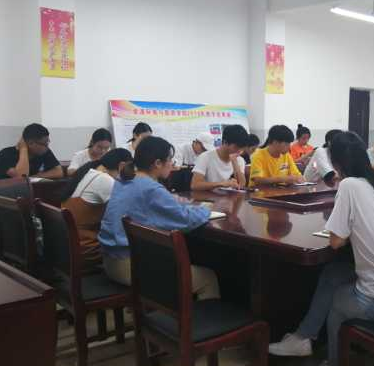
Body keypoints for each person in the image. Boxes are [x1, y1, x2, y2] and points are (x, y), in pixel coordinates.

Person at [268, 131, 374, 366]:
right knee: (333, 273)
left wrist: (353, 229)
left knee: (336, 300)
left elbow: (336, 241)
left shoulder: (349, 185)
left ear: (337, 163)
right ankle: (302, 338)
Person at [98, 136, 219, 298]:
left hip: (111, 261)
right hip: (130, 266)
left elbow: (166, 210)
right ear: (157, 163)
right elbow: (185, 220)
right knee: (207, 278)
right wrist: (206, 210)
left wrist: (183, 206)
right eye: (170, 159)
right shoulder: (151, 188)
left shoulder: (125, 180)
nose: (172, 164)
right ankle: (192, 315)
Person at [61, 148, 133, 265]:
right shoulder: (105, 180)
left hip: (69, 245)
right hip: (87, 248)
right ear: (122, 166)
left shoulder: (89, 172)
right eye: (131, 169)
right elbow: (124, 213)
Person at [0, 123, 64, 179]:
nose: (47, 147)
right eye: (44, 144)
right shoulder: (5, 154)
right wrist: (23, 149)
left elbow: (59, 172)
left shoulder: (44, 151)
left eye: (48, 142)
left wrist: (34, 177)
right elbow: (21, 177)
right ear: (31, 143)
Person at [190, 125, 249, 191]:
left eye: (242, 148)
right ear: (225, 142)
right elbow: (195, 185)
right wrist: (221, 184)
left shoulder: (239, 159)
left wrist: (235, 162)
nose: (239, 151)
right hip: (207, 196)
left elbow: (241, 185)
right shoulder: (206, 157)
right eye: (236, 147)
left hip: (226, 196)